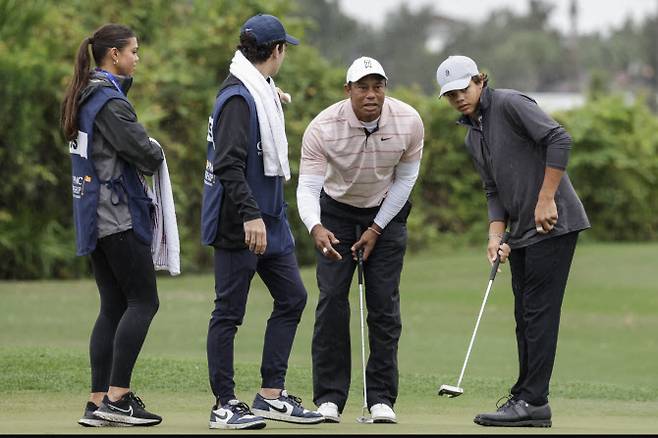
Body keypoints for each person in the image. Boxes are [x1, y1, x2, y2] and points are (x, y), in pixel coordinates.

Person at [436, 55, 590, 427]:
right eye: (450, 94)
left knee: (537, 314)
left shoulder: (509, 104)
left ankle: (534, 401)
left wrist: (546, 197)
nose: (458, 98)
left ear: (479, 80)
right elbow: (494, 189)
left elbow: (559, 138)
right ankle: (524, 396)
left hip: (553, 224)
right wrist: (495, 234)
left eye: (462, 89)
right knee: (524, 317)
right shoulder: (473, 134)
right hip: (521, 232)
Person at [201, 13, 323, 430]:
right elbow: (228, 165)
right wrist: (251, 216)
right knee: (229, 313)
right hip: (242, 223)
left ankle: (270, 395)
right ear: (277, 51)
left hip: (271, 219)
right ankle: (223, 404)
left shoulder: (260, 90)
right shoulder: (238, 98)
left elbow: (258, 128)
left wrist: (274, 99)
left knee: (292, 297)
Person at [296, 56, 425, 424]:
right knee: (333, 302)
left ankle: (381, 398)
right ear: (348, 90)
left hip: (385, 213)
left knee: (384, 307)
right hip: (334, 213)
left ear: (385, 88)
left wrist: (377, 227)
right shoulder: (323, 127)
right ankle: (330, 398)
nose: (372, 95)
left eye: (378, 86)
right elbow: (307, 187)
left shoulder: (408, 121)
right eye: (363, 87)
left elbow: (405, 181)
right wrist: (315, 228)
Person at [60, 24, 164, 427]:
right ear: (114, 55)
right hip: (117, 216)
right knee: (144, 301)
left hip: (92, 216)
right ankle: (119, 399)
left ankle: (97, 401)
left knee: (114, 305)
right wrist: (154, 148)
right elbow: (145, 154)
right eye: (133, 51)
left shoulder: (84, 94)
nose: (137, 58)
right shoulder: (109, 100)